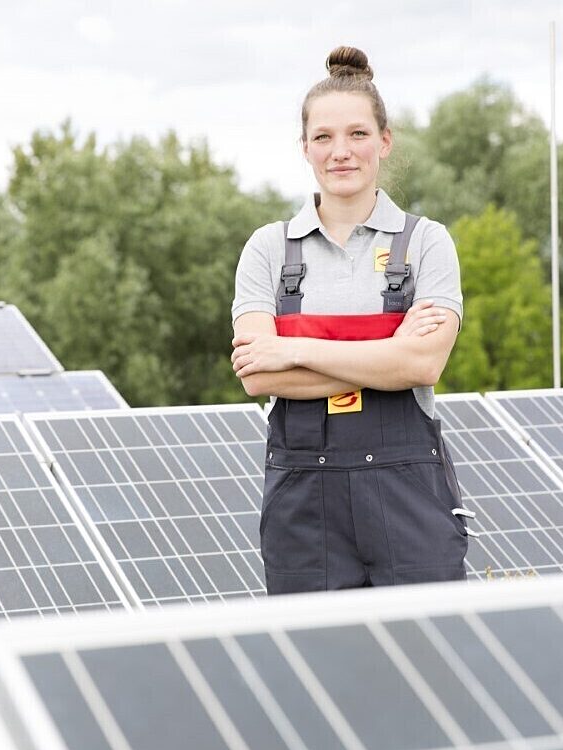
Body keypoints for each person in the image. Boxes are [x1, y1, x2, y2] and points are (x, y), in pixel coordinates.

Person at [230, 45, 472, 595]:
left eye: (358, 134)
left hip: (408, 494)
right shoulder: (268, 249)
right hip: (303, 509)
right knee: (316, 672)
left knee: (429, 665)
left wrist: (294, 348)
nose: (341, 152)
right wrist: (387, 354)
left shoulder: (425, 243)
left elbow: (425, 362)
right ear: (306, 148)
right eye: (324, 137)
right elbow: (259, 377)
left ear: (384, 142)